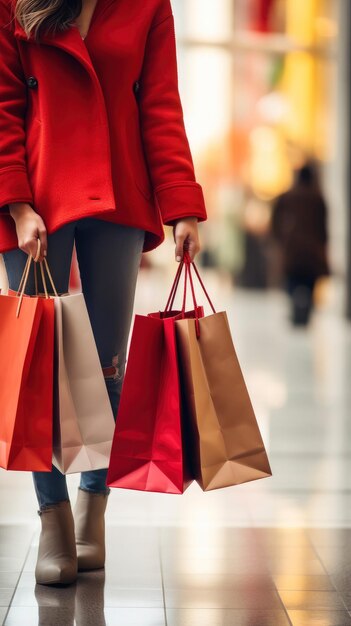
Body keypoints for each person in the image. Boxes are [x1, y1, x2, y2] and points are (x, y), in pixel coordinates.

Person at [0, 0, 208, 586]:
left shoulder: (147, 7)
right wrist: (16, 203)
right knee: (39, 369)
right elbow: (4, 105)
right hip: (35, 201)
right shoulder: (16, 4)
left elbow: (160, 106)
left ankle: (94, 509)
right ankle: (54, 518)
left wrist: (181, 205)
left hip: (117, 196)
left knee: (106, 368)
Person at [271, 161, 330, 325]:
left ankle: (296, 311)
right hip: (313, 252)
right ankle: (306, 314)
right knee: (309, 284)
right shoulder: (318, 199)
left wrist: (281, 239)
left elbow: (275, 222)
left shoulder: (287, 196)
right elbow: (323, 228)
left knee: (292, 282)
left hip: (293, 251)